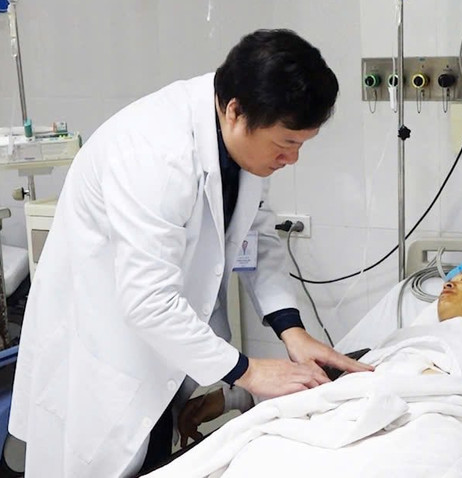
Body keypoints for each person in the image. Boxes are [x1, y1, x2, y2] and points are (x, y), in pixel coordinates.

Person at [8, 29, 372, 478]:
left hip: (160, 354)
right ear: (235, 111)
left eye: (301, 144)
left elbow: (256, 239)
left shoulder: (238, 144)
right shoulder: (155, 154)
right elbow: (148, 301)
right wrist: (248, 372)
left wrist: (291, 329)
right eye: (286, 143)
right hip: (104, 355)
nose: (292, 159)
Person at [176, 260, 462, 476]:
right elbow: (325, 379)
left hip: (443, 413)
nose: (449, 283)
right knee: (266, 460)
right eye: (449, 278)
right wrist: (232, 397)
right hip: (352, 407)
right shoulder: (400, 338)